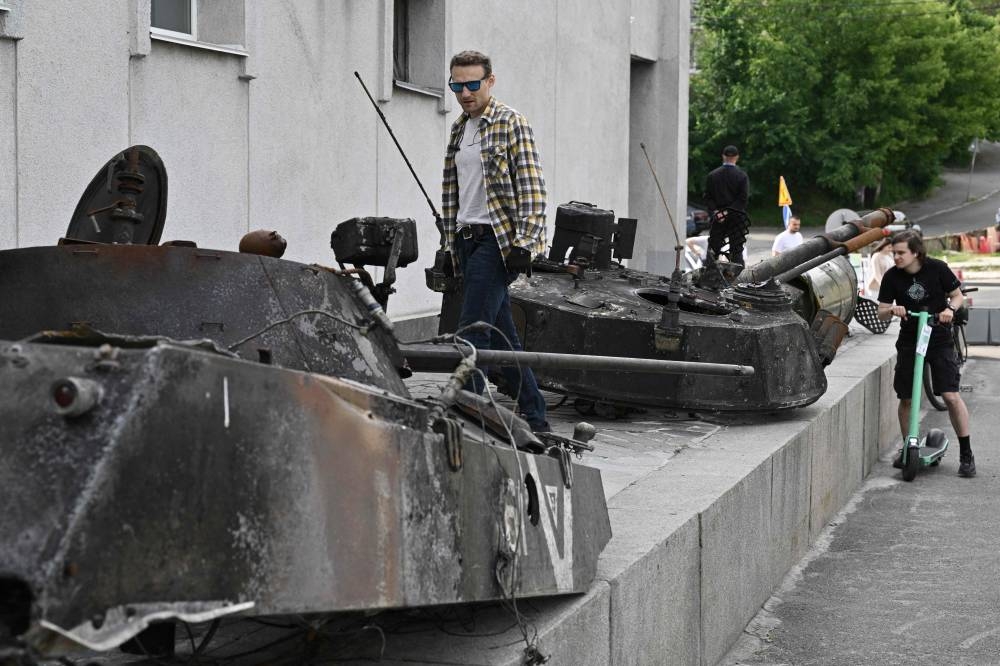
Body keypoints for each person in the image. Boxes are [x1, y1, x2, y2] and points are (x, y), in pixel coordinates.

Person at [441, 50, 549, 432]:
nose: (465, 92)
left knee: (472, 332)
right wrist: (448, 244)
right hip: (466, 239)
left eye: (473, 84)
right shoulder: (458, 128)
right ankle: (537, 418)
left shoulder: (510, 122)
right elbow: (457, 192)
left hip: (497, 241)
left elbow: (532, 187)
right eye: (457, 85)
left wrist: (527, 242)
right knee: (504, 340)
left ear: (490, 81)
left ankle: (475, 420)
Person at [876, 230, 975, 477]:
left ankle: (966, 454)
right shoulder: (892, 277)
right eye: (894, 252)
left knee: (951, 396)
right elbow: (881, 311)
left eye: (901, 253)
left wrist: (950, 310)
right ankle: (909, 447)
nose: (896, 257)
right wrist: (893, 310)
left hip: (938, 336)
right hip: (910, 339)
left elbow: (957, 295)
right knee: (906, 398)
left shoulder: (937, 268)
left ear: (916, 253)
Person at [704, 145, 750, 264]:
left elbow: (708, 197)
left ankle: (709, 276)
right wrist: (728, 212)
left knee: (713, 250)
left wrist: (716, 212)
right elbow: (742, 199)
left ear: (723, 156)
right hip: (736, 218)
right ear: (737, 157)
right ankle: (738, 279)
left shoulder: (712, 175)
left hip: (718, 218)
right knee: (736, 251)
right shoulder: (742, 176)